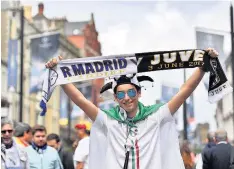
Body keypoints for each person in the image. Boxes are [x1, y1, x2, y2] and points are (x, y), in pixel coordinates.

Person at [45, 48, 218, 169]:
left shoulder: (156, 115)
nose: (126, 98)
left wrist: (202, 67)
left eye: (130, 92)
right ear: (115, 98)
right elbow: (80, 99)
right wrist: (60, 75)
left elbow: (184, 91)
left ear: (139, 93)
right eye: (120, 95)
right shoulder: (108, 119)